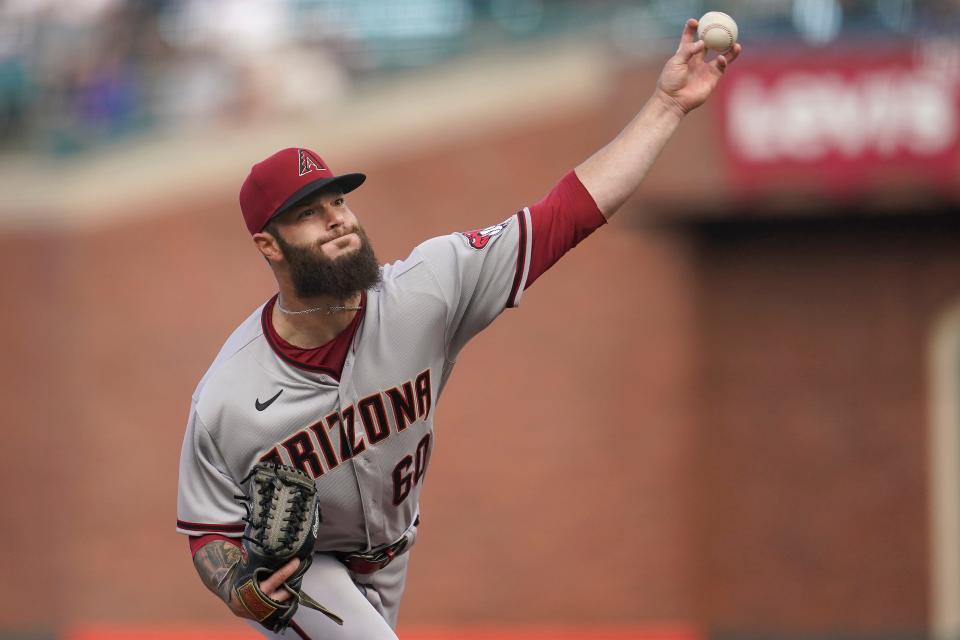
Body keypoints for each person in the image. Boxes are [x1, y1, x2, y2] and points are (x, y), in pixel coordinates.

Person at [177, 19, 741, 640]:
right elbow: (208, 532)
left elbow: (566, 214)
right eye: (308, 214)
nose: (336, 221)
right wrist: (242, 589)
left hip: (394, 556)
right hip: (307, 574)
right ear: (269, 244)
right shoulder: (228, 397)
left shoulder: (426, 290)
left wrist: (666, 105)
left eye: (338, 202)